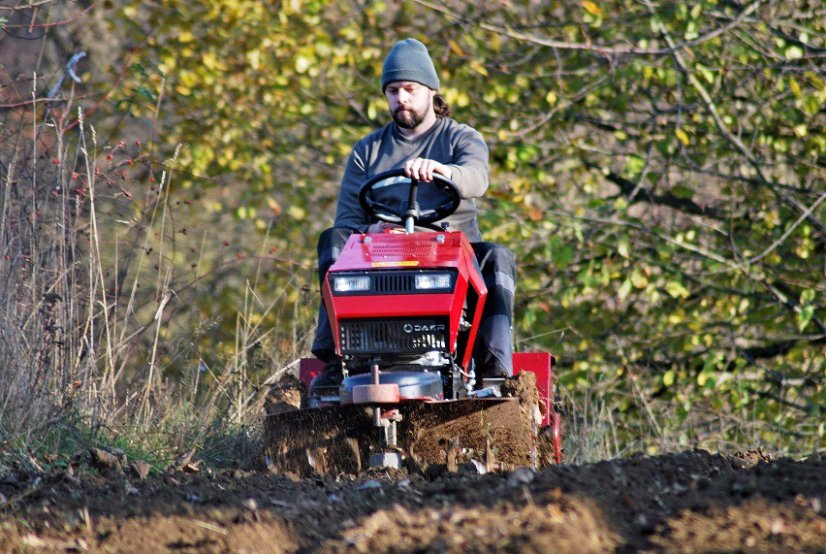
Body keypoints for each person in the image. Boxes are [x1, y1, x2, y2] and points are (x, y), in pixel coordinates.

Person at [311, 38, 516, 387]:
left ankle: (493, 373)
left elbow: (477, 177)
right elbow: (347, 220)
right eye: (393, 90)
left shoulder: (461, 138)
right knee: (334, 241)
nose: (401, 98)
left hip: (449, 251)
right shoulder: (368, 150)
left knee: (497, 257)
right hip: (382, 256)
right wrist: (366, 233)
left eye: (409, 89)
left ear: (431, 92)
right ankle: (336, 360)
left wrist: (443, 171)